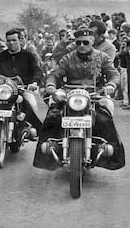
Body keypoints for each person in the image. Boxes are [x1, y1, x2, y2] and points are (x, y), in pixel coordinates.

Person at [34, 28, 125, 170]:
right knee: (53, 114)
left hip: (95, 93)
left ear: (92, 42)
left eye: (85, 42)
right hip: (69, 94)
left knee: (106, 112)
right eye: (79, 43)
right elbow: (55, 74)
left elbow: (113, 74)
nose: (82, 45)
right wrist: (51, 86)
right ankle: (49, 147)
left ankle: (109, 147)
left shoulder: (101, 57)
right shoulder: (67, 58)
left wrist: (111, 85)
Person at [0, 28, 43, 134]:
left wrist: (34, 82)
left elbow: (37, 71)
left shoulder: (29, 56)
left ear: (20, 41)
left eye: (14, 40)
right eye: (8, 41)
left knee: (30, 103)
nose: (11, 43)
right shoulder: (2, 56)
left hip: (22, 88)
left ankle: (32, 129)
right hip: (3, 89)